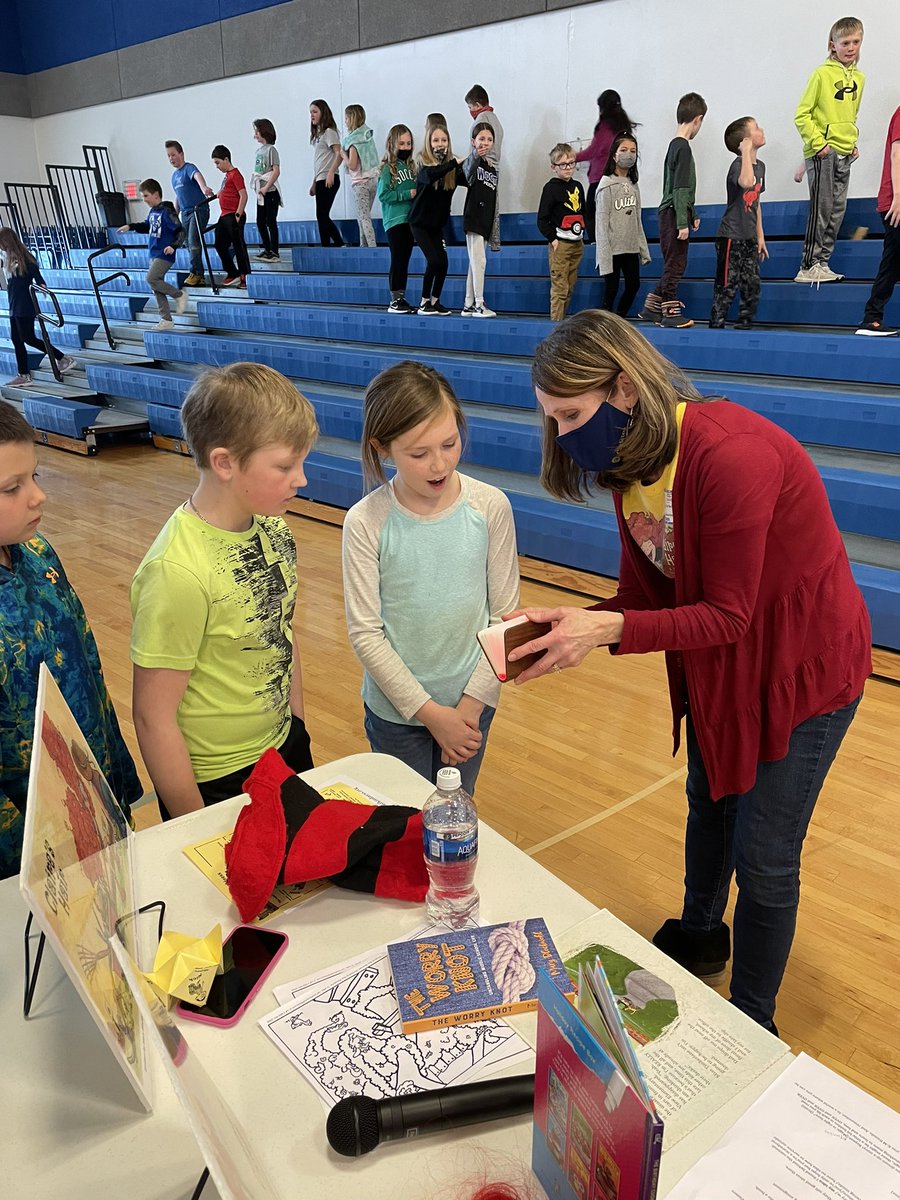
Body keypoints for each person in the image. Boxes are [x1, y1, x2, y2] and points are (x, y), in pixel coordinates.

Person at [510, 309, 871, 1033]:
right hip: (726, 664)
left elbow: (728, 614)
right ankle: (702, 931)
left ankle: (753, 1020)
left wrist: (608, 628)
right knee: (709, 798)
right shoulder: (631, 466)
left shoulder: (730, 456)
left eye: (571, 414)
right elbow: (646, 598)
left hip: (802, 668)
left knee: (766, 854)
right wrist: (572, 628)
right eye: (551, 419)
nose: (563, 435)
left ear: (622, 390)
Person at [130, 363, 319, 820]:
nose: (302, 479)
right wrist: (191, 822)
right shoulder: (177, 571)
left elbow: (282, 634)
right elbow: (153, 719)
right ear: (224, 462)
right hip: (216, 781)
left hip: (284, 748)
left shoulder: (275, 529)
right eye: (285, 466)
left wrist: (297, 724)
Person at [341, 360, 519, 795]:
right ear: (383, 448)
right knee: (403, 823)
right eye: (418, 454)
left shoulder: (490, 506)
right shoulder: (365, 522)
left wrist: (470, 708)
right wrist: (431, 714)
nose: (438, 464)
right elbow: (367, 634)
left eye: (450, 443)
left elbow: (506, 619)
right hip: (397, 714)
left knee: (454, 816)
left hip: (472, 706)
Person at [0, 401, 141, 879]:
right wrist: (33, 858)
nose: (38, 497)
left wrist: (118, 785)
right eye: (12, 489)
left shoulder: (39, 554)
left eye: (34, 477)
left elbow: (89, 676)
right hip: (31, 849)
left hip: (94, 795)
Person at [794, 16, 865, 285]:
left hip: (845, 152)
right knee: (821, 209)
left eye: (855, 42)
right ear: (832, 45)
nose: (850, 47)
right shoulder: (821, 74)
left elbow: (851, 114)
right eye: (845, 42)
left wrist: (852, 141)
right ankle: (808, 264)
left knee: (837, 210)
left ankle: (822, 262)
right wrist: (819, 143)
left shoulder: (859, 78)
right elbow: (802, 114)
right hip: (824, 152)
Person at [641, 92, 706, 328]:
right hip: (673, 213)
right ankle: (670, 309)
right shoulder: (684, 148)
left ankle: (651, 307)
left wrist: (693, 213)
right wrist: (682, 222)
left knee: (672, 261)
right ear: (697, 120)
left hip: (671, 211)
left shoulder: (673, 146)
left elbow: (677, 188)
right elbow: (679, 188)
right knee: (676, 263)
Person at [709, 117, 768, 330]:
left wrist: (760, 237)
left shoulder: (760, 167)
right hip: (730, 237)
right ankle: (717, 325)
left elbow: (756, 203)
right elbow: (746, 182)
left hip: (749, 237)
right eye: (756, 128)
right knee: (726, 285)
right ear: (745, 140)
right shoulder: (738, 166)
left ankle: (744, 324)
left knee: (751, 284)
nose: (762, 130)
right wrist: (744, 153)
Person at [0, 228, 76, 386]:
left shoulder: (24, 259)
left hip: (25, 305)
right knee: (17, 340)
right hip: (14, 305)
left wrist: (42, 286)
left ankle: (62, 358)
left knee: (28, 338)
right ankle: (24, 374)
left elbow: (37, 275)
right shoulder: (6, 258)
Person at [409, 123, 467, 315]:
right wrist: (453, 164)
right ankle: (424, 301)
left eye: (444, 140)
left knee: (443, 263)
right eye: (436, 140)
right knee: (433, 261)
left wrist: (477, 160)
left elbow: (469, 180)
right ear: (429, 142)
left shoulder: (452, 169)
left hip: (437, 224)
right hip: (419, 222)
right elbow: (430, 176)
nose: (440, 144)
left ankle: (435, 301)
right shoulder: (423, 163)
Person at [117, 178, 188, 331]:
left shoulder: (167, 211)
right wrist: (130, 226)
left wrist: (174, 246)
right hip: (153, 252)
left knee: (151, 278)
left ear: (156, 194)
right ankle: (166, 319)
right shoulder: (153, 212)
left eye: (146, 196)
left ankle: (179, 295)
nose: (144, 200)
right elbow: (146, 226)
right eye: (143, 196)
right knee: (156, 286)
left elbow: (180, 230)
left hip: (165, 253)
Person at [855, 103, 900, 336]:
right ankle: (871, 317)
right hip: (895, 203)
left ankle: (872, 318)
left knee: (892, 263)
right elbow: (896, 153)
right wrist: (898, 198)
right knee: (892, 263)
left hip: (893, 202)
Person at [594, 134, 650, 318]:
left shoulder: (633, 185)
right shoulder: (606, 185)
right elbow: (601, 222)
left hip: (630, 247)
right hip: (613, 248)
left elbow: (637, 219)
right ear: (614, 155)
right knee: (611, 289)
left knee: (634, 285)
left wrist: (643, 249)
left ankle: (619, 319)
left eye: (633, 151)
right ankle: (604, 324)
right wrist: (603, 253)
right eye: (624, 150)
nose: (629, 155)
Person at [576, 90, 637, 243]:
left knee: (591, 212)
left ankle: (597, 243)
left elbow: (595, 150)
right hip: (620, 178)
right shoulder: (623, 127)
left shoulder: (605, 127)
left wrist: (572, 157)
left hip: (600, 178)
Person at [537, 143, 587, 322]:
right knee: (560, 287)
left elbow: (583, 212)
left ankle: (563, 322)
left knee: (571, 285)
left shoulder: (578, 187)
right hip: (561, 243)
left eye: (571, 163)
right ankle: (556, 325)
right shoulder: (550, 189)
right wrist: (553, 239)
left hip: (577, 242)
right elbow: (542, 219)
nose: (568, 168)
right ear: (554, 167)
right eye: (563, 164)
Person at [377, 124, 418, 314]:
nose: (405, 147)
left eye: (408, 143)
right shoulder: (387, 169)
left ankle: (402, 297)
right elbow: (383, 194)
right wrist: (405, 194)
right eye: (401, 143)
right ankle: (394, 299)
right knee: (398, 258)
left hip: (410, 221)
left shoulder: (411, 167)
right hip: (394, 221)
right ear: (393, 144)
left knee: (405, 259)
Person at [461, 122, 499, 317]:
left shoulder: (492, 169)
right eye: (481, 139)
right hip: (474, 218)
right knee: (479, 262)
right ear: (473, 142)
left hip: (485, 222)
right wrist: (475, 154)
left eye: (489, 139)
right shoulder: (472, 163)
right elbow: (466, 173)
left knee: (474, 262)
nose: (485, 143)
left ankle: (468, 303)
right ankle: (479, 304)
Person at [165, 140, 215, 287]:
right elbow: (179, 197)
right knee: (186, 242)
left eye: (173, 154)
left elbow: (197, 176)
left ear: (181, 154)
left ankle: (195, 273)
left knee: (193, 241)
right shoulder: (174, 177)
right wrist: (174, 214)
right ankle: (199, 275)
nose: (171, 158)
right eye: (168, 156)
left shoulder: (189, 168)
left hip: (198, 210)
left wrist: (204, 187)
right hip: (185, 213)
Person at [465, 85, 503, 250]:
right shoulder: (496, 120)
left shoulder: (481, 121)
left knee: (478, 225)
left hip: (482, 170)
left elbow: (475, 152)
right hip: (494, 171)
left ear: (477, 104)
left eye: (470, 107)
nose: (470, 111)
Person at [210, 144, 251, 288]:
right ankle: (232, 272)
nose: (217, 166)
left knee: (239, 246)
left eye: (217, 162)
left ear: (226, 159)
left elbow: (243, 195)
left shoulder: (235, 174)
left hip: (233, 214)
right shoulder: (227, 177)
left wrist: (238, 214)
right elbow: (226, 192)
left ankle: (245, 276)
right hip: (224, 215)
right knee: (219, 243)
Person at [341, 104, 380, 248]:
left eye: (346, 118)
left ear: (351, 119)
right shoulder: (367, 138)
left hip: (360, 185)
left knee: (364, 218)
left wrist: (342, 154)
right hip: (372, 182)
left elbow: (352, 164)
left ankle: (371, 247)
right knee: (363, 217)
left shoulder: (353, 142)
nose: (344, 121)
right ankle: (364, 246)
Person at [309, 100, 344, 248]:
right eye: (311, 112)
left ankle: (336, 244)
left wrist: (331, 172)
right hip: (321, 178)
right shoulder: (319, 135)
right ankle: (330, 245)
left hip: (329, 178)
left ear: (323, 113)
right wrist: (314, 182)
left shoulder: (330, 132)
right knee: (321, 215)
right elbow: (320, 162)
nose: (312, 115)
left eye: (315, 112)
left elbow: (339, 153)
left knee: (322, 215)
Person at [251, 118, 282, 264]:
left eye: (257, 131)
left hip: (270, 192)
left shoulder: (271, 150)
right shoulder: (259, 151)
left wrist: (266, 187)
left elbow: (276, 171)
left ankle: (274, 251)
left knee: (271, 221)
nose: (255, 134)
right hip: (261, 193)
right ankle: (267, 248)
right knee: (260, 221)